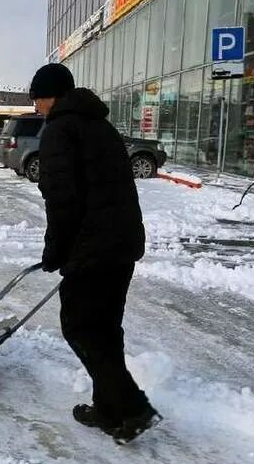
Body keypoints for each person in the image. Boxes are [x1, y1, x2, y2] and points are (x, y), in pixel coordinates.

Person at [29, 62, 161, 444]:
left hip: (94, 247)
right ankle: (108, 410)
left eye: (37, 97)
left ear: (51, 94)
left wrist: (56, 251)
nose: (36, 105)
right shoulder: (100, 126)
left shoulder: (59, 131)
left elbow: (63, 200)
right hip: (122, 243)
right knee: (104, 330)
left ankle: (132, 407)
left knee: (80, 327)